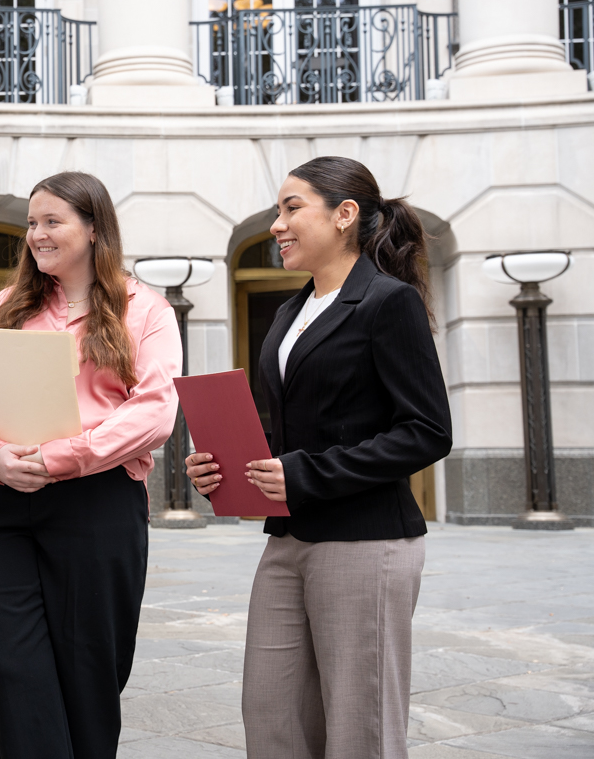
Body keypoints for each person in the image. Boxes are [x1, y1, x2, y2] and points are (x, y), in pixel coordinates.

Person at [187, 156, 453, 759]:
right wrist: (222, 471)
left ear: (345, 215)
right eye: (276, 211)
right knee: (271, 715)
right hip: (286, 540)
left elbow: (427, 431)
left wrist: (305, 473)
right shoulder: (287, 314)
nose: (276, 224)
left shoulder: (389, 302)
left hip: (365, 544)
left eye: (291, 208)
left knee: (361, 729)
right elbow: (288, 431)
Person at [0, 171, 181, 759]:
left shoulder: (145, 310)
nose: (37, 234)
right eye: (32, 223)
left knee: (89, 676)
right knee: (18, 671)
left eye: (53, 221)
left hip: (96, 503)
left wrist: (61, 459)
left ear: (94, 228)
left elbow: (153, 414)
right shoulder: (7, 305)